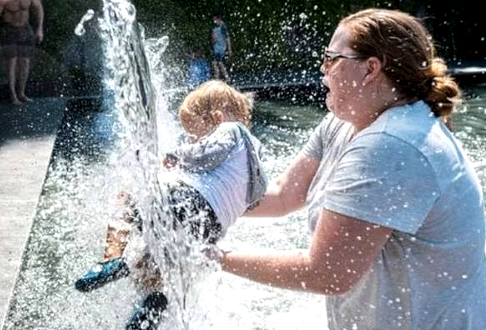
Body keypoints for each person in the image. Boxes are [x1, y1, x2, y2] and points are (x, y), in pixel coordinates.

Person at [211, 8, 486, 330]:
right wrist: (195, 201)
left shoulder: (392, 145)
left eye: (331, 58)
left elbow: (327, 273)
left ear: (370, 69)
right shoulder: (344, 122)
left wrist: (211, 256)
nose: (323, 69)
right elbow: (283, 196)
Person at [74, 80, 268, 330]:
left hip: (187, 204)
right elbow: (253, 198)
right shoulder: (256, 157)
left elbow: (207, 153)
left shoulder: (229, 129)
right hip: (208, 230)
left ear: (217, 118)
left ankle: (111, 259)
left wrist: (177, 155)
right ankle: (153, 304)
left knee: (127, 194)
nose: (191, 139)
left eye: (194, 134)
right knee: (154, 263)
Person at [0, 0, 44, 105]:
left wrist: (40, 28)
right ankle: (13, 95)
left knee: (25, 62)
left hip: (25, 29)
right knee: (11, 63)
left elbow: (39, 8)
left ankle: (21, 93)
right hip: (9, 30)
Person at [210, 13, 231, 82]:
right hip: (216, 48)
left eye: (215, 20)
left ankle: (222, 77)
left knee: (218, 62)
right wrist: (213, 39)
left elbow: (227, 38)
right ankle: (219, 76)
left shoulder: (223, 27)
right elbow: (213, 39)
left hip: (221, 48)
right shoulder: (215, 27)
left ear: (219, 19)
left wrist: (229, 49)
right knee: (216, 62)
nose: (214, 21)